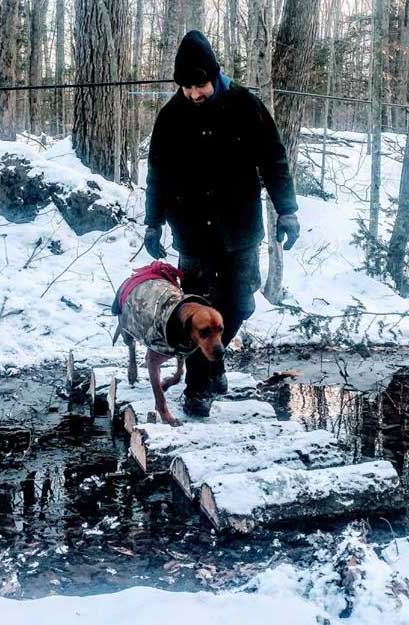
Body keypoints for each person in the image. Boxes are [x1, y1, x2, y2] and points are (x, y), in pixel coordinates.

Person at [144, 30, 300, 416]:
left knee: (242, 304)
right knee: (196, 312)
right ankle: (199, 386)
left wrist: (288, 209)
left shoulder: (246, 106)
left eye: (201, 85)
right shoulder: (170, 117)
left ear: (216, 75)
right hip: (193, 232)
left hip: (240, 228)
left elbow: (274, 160)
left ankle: (216, 360)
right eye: (187, 87)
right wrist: (153, 222)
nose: (195, 93)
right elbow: (157, 174)